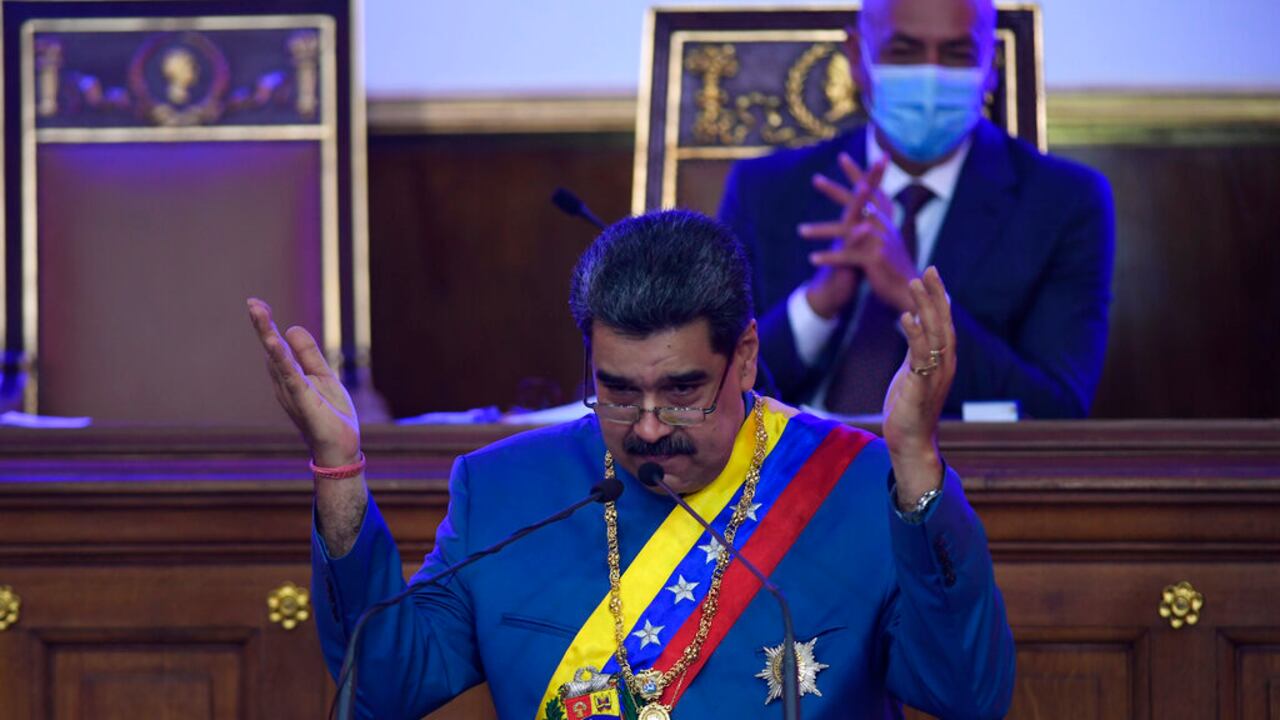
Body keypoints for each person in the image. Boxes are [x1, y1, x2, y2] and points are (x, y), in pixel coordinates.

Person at [248, 209, 1014, 719]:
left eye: (682, 391)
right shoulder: (505, 491)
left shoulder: (848, 486)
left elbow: (971, 696)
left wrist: (914, 462)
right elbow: (382, 688)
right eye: (616, 392)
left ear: (744, 357)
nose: (648, 427)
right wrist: (340, 472)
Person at [719, 0, 1115, 419]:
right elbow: (716, 391)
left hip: (968, 469)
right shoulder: (764, 191)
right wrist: (819, 303)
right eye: (904, 53)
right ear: (857, 56)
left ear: (990, 65)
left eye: (956, 55)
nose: (931, 75)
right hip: (787, 467)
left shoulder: (1064, 202)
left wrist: (912, 296)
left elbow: (1055, 409)